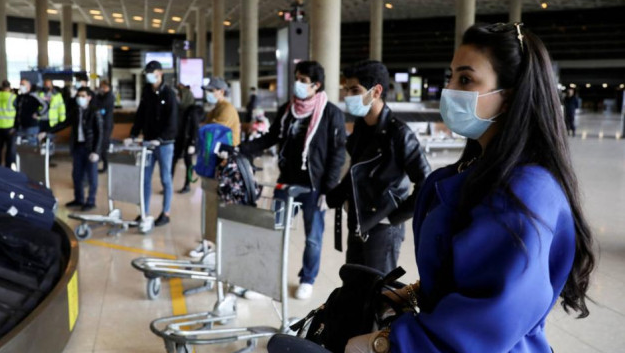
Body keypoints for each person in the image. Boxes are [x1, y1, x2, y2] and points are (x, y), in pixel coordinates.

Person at [345, 23, 596, 353]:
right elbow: (467, 273)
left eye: (465, 79)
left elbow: (489, 321)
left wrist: (385, 344)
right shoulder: (475, 170)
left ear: (508, 96)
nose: (449, 90)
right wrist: (413, 292)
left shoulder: (525, 192)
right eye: (450, 77)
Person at [240, 61, 346, 300]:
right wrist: (243, 149)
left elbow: (337, 154)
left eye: (303, 80)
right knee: (274, 232)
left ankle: (307, 279)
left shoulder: (331, 114)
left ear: (316, 85)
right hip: (286, 183)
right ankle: (265, 280)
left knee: (313, 238)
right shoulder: (288, 110)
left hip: (314, 187)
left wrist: (328, 190)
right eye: (296, 78)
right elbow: (270, 137)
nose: (297, 84)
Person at [326, 60, 431, 274]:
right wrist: (338, 193)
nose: (348, 95)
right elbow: (357, 170)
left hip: (383, 228)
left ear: (376, 92)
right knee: (354, 286)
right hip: (357, 220)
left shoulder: (399, 134)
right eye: (346, 89)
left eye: (355, 90)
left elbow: (426, 183)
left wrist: (393, 217)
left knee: (378, 292)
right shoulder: (361, 127)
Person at [125, 61, 178, 227]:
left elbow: (173, 120)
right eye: (147, 72)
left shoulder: (169, 93)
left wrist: (161, 139)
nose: (148, 74)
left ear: (160, 73)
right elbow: (141, 115)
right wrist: (133, 134)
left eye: (151, 71)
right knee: (145, 179)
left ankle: (166, 213)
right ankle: (144, 213)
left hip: (164, 144)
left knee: (165, 179)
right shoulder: (147, 92)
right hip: (148, 142)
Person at [41, 87, 103, 211]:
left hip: (90, 148)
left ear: (89, 98)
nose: (80, 98)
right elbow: (63, 124)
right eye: (78, 96)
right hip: (78, 147)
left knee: (92, 177)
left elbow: (100, 133)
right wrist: (47, 132)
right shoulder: (75, 111)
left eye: (83, 96)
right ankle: (78, 199)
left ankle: (91, 201)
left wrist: (96, 151)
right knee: (77, 175)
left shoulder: (94, 112)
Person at [173, 83, 203, 193]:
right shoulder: (179, 109)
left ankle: (187, 184)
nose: (178, 98)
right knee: (173, 161)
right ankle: (169, 183)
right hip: (179, 139)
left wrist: (193, 143)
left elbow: (195, 128)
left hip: (189, 141)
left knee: (188, 163)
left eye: (180, 96)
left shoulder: (192, 112)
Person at [0, 81, 17, 167]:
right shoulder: (13, 97)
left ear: (2, 87)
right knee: (9, 148)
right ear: (9, 87)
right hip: (9, 126)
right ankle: (8, 165)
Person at [14, 79, 48, 144]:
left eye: (23, 84)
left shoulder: (34, 96)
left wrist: (38, 114)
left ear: (29, 86)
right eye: (20, 84)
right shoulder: (20, 97)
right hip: (20, 127)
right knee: (20, 148)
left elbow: (45, 105)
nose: (21, 86)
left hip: (31, 127)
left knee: (31, 147)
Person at [93, 80, 115, 173]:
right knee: (101, 144)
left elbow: (99, 105)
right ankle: (101, 162)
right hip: (102, 124)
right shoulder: (103, 96)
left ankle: (105, 166)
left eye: (103, 87)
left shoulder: (109, 96)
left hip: (106, 125)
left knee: (103, 145)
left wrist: (96, 95)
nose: (101, 88)